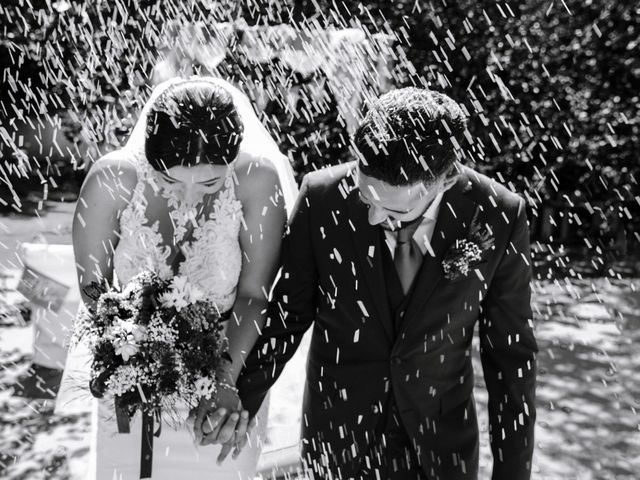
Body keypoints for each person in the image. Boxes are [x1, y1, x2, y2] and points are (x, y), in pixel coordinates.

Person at [234, 87, 538, 479]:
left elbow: (511, 358)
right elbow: (288, 315)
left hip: (441, 448)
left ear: (443, 180)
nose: (375, 218)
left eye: (393, 208)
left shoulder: (499, 214)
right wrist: (238, 399)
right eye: (366, 199)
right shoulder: (322, 197)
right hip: (337, 442)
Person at [61, 76, 298, 479]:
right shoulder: (111, 181)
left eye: (209, 182)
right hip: (132, 382)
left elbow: (255, 296)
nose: (189, 198)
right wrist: (137, 348)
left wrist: (224, 377)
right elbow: (94, 287)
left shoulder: (257, 181)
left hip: (227, 375)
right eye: (170, 180)